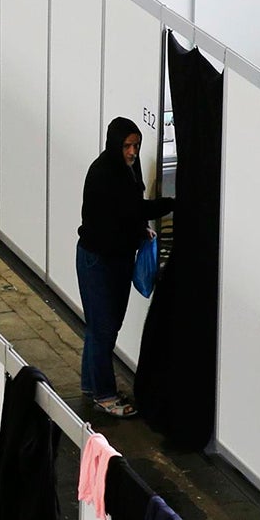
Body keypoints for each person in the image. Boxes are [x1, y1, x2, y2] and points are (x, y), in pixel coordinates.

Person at [76, 116, 172, 417]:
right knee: (102, 329)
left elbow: (128, 213)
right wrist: (173, 204)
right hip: (99, 260)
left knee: (103, 326)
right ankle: (104, 394)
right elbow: (131, 209)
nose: (132, 151)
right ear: (115, 144)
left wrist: (140, 229)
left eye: (136, 145)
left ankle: (91, 385)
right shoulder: (105, 173)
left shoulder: (128, 170)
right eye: (127, 145)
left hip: (115, 259)